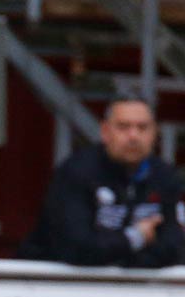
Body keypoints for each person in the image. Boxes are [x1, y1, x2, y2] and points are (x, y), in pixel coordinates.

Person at [21, 97, 184, 269]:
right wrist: (136, 238)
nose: (134, 136)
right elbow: (76, 247)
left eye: (142, 128)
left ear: (154, 134)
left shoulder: (164, 176)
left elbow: (173, 247)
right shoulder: (77, 172)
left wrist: (123, 260)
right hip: (53, 284)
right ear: (105, 132)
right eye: (123, 127)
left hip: (134, 287)